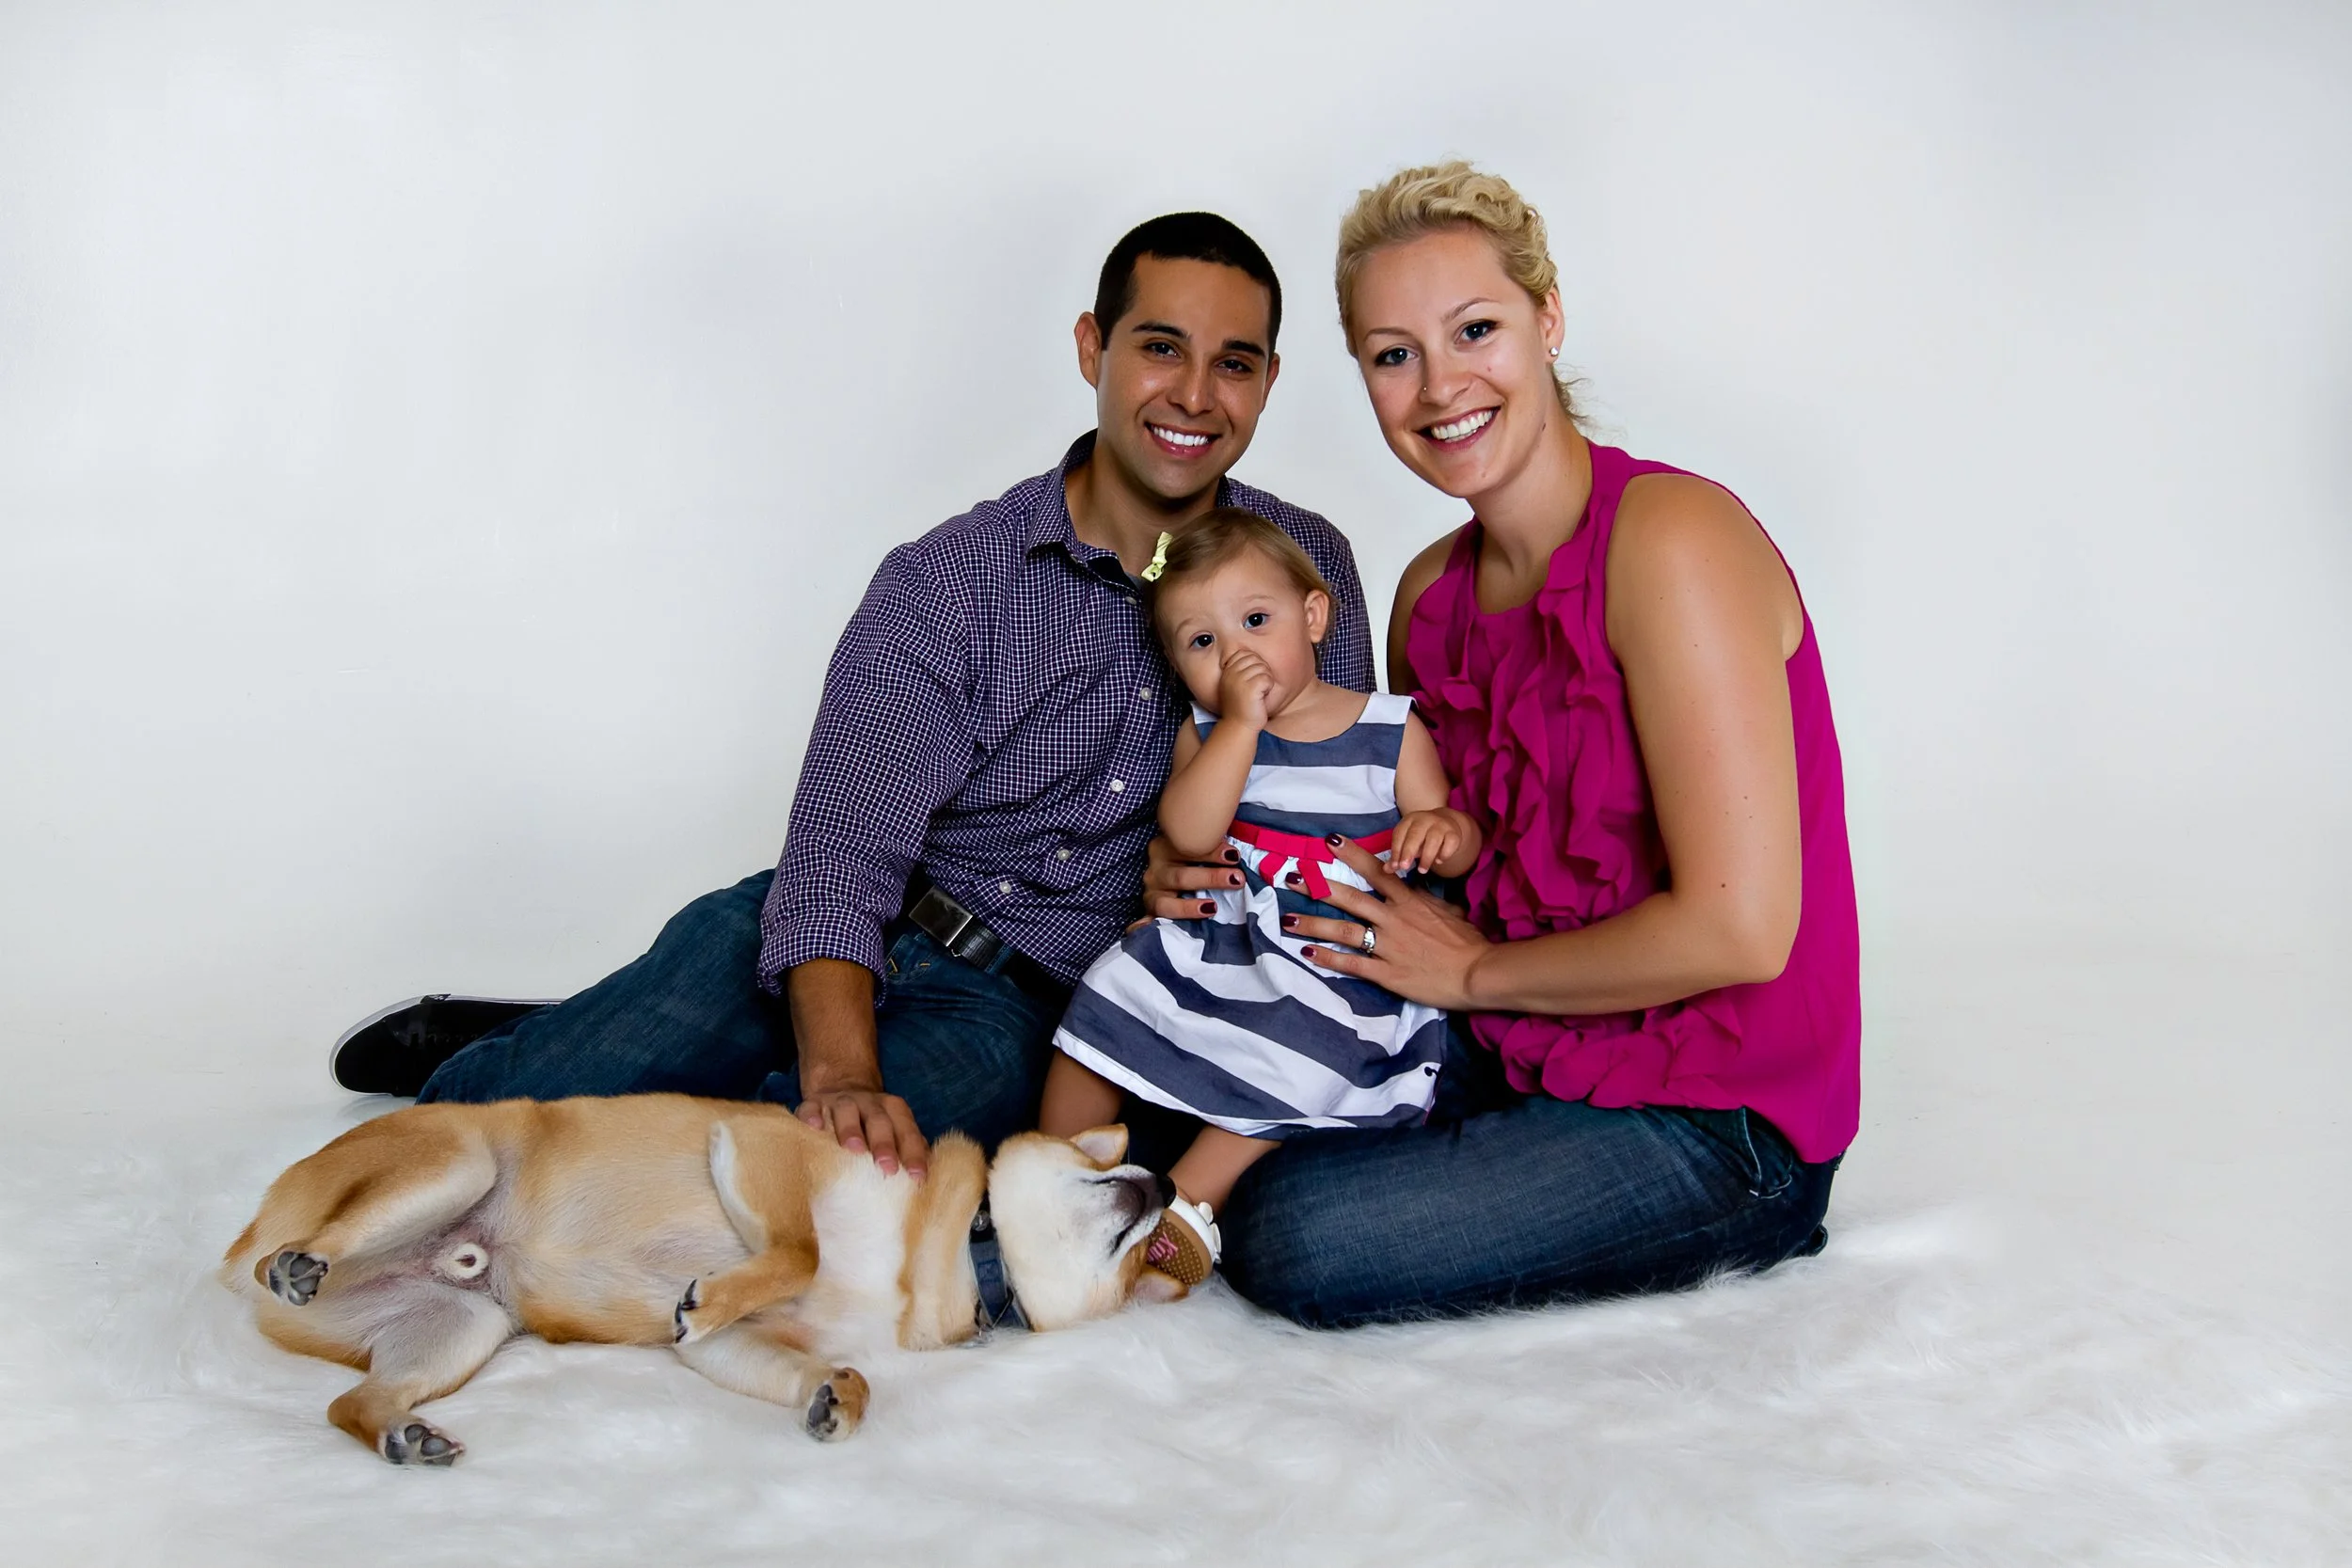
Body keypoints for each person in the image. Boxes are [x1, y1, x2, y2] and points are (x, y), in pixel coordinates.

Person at [329, 213, 1375, 1180]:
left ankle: (623, 1043)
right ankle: (529, 1046)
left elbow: (1335, 809)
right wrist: (842, 1068)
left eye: (1233, 363)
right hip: (836, 930)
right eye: (1160, 347)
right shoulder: (949, 578)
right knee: (481, 1136)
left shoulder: (1304, 569)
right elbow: (840, 850)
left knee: (738, 1180)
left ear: (1270, 380)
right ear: (1091, 349)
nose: (1195, 394)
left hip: (1010, 1008)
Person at [1132, 162, 1861, 1327]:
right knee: (1184, 1075)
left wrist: (1468, 974)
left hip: (1713, 1110)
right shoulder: (1429, 597)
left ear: (1548, 319)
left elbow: (1740, 925)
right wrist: (1210, 859)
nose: (1438, 386)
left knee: (1295, 1233)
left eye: (1475, 329)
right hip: (1516, 1032)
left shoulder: (1671, 541)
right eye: (1392, 353)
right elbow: (1410, 835)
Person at [1038, 509, 1480, 1284]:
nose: (1235, 653)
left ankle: (1185, 1209)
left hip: (1333, 957)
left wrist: (1444, 829)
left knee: (1299, 1056)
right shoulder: (1209, 734)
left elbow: (1447, 827)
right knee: (1110, 993)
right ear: (1177, 663)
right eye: (1203, 642)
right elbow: (1188, 828)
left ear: (1313, 617)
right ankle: (1058, 1183)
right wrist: (1240, 725)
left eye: (1255, 620)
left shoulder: (1389, 729)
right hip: (1227, 940)